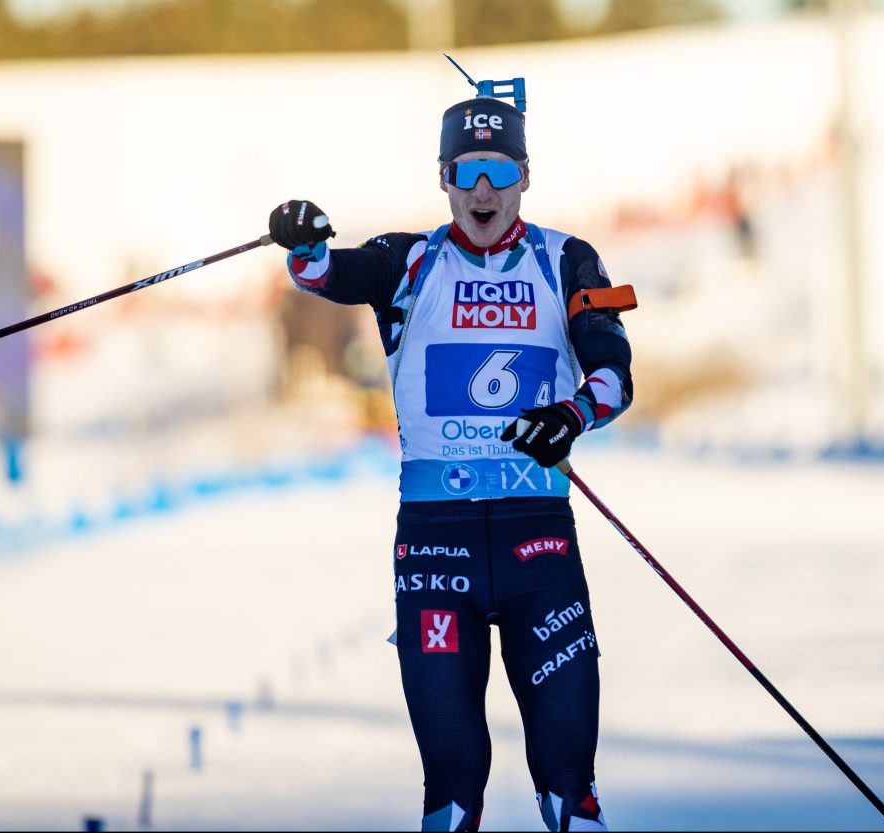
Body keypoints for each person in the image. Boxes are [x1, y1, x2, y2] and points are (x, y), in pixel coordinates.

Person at [267, 86, 635, 833]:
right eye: (466, 171)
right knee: (452, 794)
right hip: (437, 550)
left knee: (570, 789)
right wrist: (303, 241)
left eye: (500, 171)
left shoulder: (566, 259)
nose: (483, 191)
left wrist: (572, 413)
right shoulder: (408, 260)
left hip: (539, 545)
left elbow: (613, 372)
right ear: (443, 178)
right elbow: (327, 273)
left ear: (525, 176)